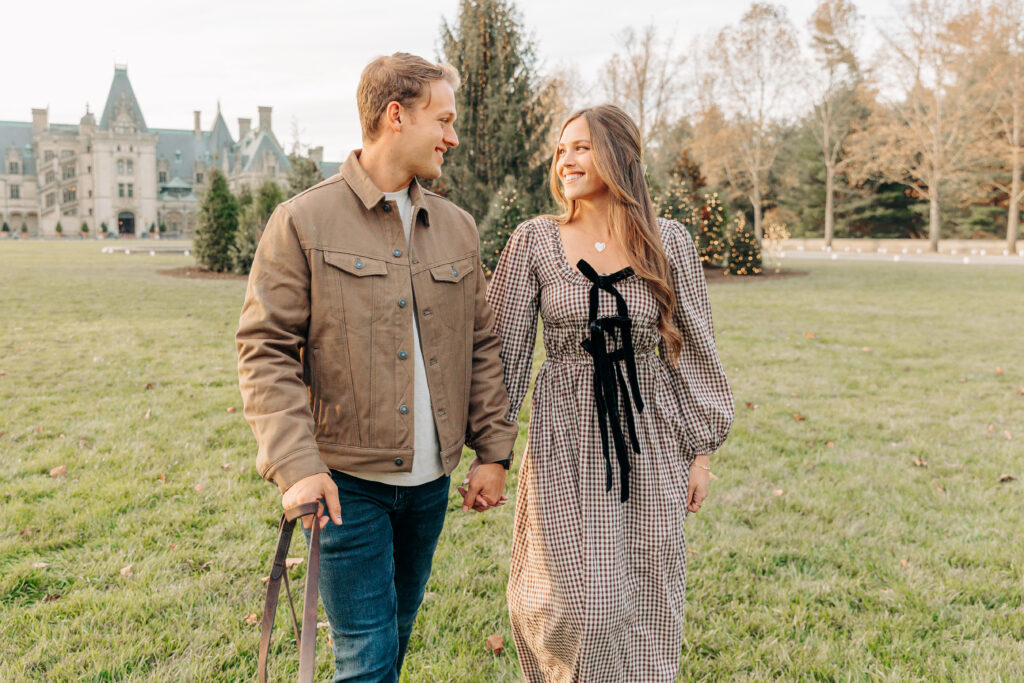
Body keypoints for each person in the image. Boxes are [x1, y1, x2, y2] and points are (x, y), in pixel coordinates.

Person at [236, 53, 518, 682]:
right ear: (397, 115)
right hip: (342, 485)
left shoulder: (457, 228)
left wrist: (493, 453)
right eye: (442, 120)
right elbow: (265, 349)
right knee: (366, 656)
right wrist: (297, 468)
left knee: (396, 634)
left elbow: (481, 346)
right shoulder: (303, 222)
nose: (451, 135)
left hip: (431, 486)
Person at [486, 104, 735, 681]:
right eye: (560, 150)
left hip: (650, 438)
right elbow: (505, 357)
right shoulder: (536, 242)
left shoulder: (668, 242)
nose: (565, 161)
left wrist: (699, 452)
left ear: (620, 156)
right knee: (575, 606)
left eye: (581, 147)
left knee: (649, 598)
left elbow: (692, 349)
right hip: (564, 441)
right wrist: (491, 453)